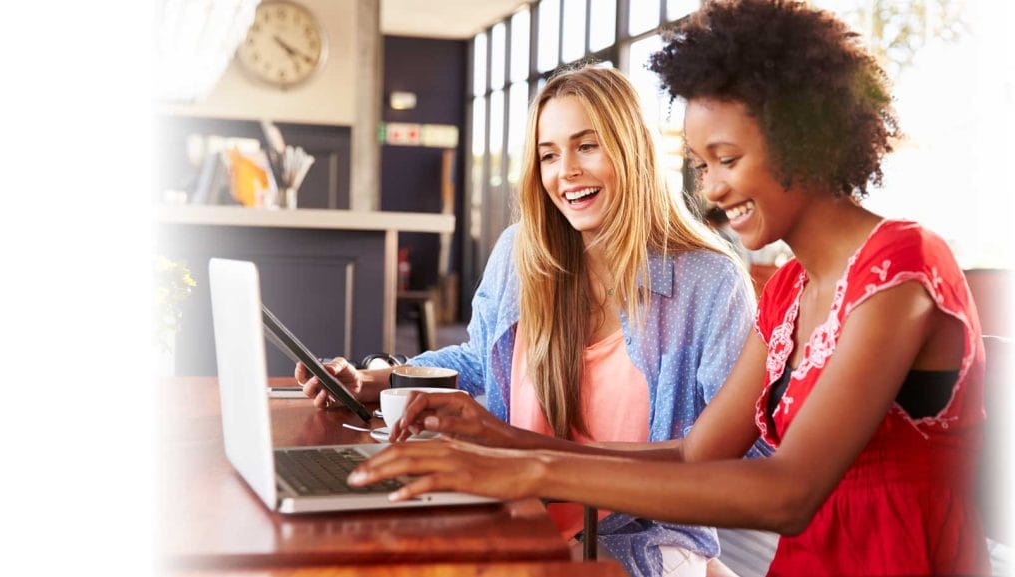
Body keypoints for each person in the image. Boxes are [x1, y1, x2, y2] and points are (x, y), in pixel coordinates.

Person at [345, 2, 991, 575]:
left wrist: (535, 469)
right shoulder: (791, 288)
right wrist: (507, 440)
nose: (710, 189)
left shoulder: (902, 262)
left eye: (728, 160)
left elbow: (788, 492)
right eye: (701, 165)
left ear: (806, 140)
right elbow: (694, 451)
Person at [297, 65, 758, 576]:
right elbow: (476, 360)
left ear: (633, 150)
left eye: (587, 146)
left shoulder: (709, 282)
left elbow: (738, 456)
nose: (567, 172)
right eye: (549, 155)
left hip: (637, 539)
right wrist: (373, 381)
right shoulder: (521, 251)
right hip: (513, 514)